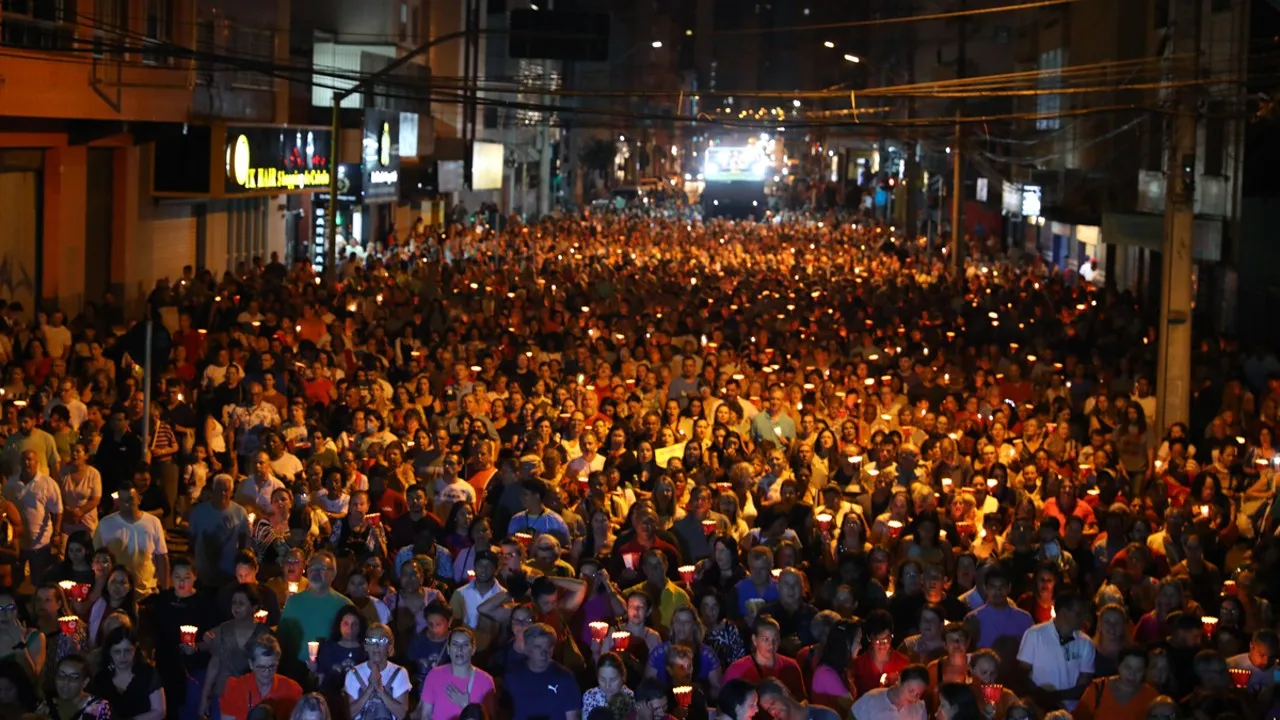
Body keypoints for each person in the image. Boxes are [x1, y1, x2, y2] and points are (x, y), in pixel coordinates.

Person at [201, 583, 273, 720]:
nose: (236, 607)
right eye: (234, 603)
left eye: (241, 603)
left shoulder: (264, 634)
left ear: (254, 607)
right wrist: (205, 696)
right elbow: (214, 664)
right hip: (222, 695)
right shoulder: (223, 630)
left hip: (253, 698)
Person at [1015, 591, 1095, 712]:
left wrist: (1054, 697)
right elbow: (1022, 673)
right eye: (1078, 614)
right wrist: (1040, 695)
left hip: (1071, 711)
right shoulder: (1034, 634)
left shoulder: (1086, 643)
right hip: (1039, 708)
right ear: (1063, 612)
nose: (1083, 618)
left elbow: (1084, 684)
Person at [93, 475, 169, 595]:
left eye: (130, 499)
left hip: (147, 591)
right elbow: (96, 558)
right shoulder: (105, 524)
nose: (126, 504)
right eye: (122, 500)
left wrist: (165, 590)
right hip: (116, 591)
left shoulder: (153, 522)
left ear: (139, 499)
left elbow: (161, 557)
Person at [278, 551, 352, 670]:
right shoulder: (294, 602)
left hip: (331, 669)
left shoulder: (344, 605)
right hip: (295, 668)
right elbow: (282, 637)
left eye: (321, 568)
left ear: (333, 573)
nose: (315, 572)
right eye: (312, 567)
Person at [4, 447, 63, 586]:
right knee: (16, 580)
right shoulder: (11, 484)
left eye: (30, 459)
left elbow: (58, 510)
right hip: (18, 544)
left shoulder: (48, 484)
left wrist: (56, 533)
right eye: (24, 459)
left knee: (40, 581)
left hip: (41, 543)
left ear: (37, 462)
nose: (27, 462)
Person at [502, 623, 581, 720]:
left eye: (549, 647)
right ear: (527, 648)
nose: (544, 653)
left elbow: (572, 717)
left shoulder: (566, 678)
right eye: (538, 647)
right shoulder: (512, 677)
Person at [218, 634, 304, 720]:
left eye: (272, 666)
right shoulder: (235, 688)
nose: (267, 672)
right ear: (251, 664)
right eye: (261, 667)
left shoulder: (292, 690)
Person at [418, 627, 497, 720]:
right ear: (448, 649)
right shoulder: (434, 675)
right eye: (455, 644)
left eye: (465, 645)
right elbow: (426, 715)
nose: (459, 649)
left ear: (473, 650)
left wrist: (466, 706)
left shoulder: (485, 680)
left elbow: (490, 717)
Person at [722, 616, 806, 700]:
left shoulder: (791, 666)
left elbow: (802, 702)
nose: (771, 644)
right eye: (766, 639)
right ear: (754, 640)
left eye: (775, 639)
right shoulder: (737, 670)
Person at [93, 626, 165, 720]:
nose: (123, 656)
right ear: (109, 652)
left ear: (135, 649)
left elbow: (160, 712)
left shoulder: (148, 673)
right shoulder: (102, 678)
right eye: (117, 651)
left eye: (128, 651)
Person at [343, 623, 411, 720]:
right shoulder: (353, 674)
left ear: (389, 647)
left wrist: (380, 689)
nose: (376, 645)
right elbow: (349, 714)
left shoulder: (400, 673)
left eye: (382, 640)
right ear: (366, 646)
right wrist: (369, 689)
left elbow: (402, 714)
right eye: (371, 640)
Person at [1071, 646, 1160, 720]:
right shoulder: (1097, 689)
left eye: (1139, 670)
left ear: (1145, 671)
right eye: (1128, 667)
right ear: (1119, 666)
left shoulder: (1151, 697)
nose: (1132, 674)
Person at [849, 663, 929, 720]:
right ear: (899, 680)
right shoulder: (871, 700)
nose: (913, 698)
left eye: (918, 695)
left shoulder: (919, 709)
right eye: (911, 691)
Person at [755, 677, 840, 720]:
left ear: (784, 692)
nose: (772, 712)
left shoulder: (824, 716)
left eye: (772, 703)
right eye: (768, 709)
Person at [581, 652, 633, 718]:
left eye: (613, 679)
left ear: (622, 676)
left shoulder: (631, 698)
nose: (607, 685)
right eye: (602, 680)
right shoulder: (590, 696)